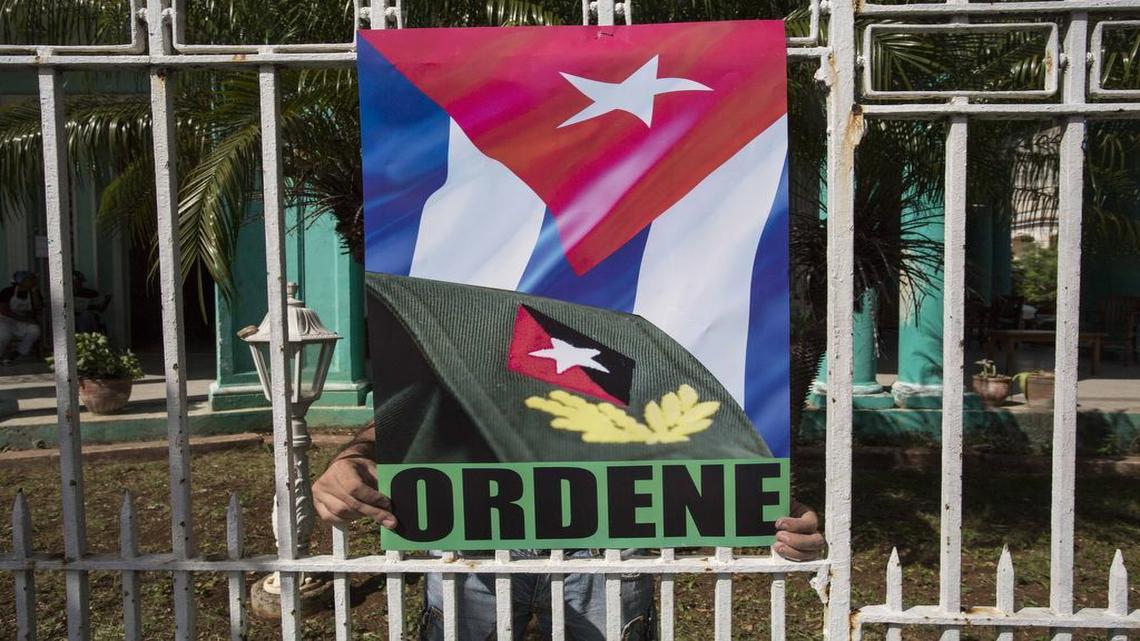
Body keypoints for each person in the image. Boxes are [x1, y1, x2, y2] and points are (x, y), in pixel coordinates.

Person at [312, 422, 826, 640]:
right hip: (472, 531)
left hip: (610, 534)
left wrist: (773, 508)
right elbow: (411, 402)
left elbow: (697, 412)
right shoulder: (466, 283)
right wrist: (350, 459)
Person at [0, 271, 43, 365]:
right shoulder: (7, 291)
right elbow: (4, 311)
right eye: (30, 279)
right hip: (6, 320)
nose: (33, 281)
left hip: (23, 321)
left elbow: (38, 308)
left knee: (35, 330)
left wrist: (35, 294)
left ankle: (16, 354)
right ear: (21, 280)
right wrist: (24, 319)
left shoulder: (33, 292)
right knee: (4, 335)